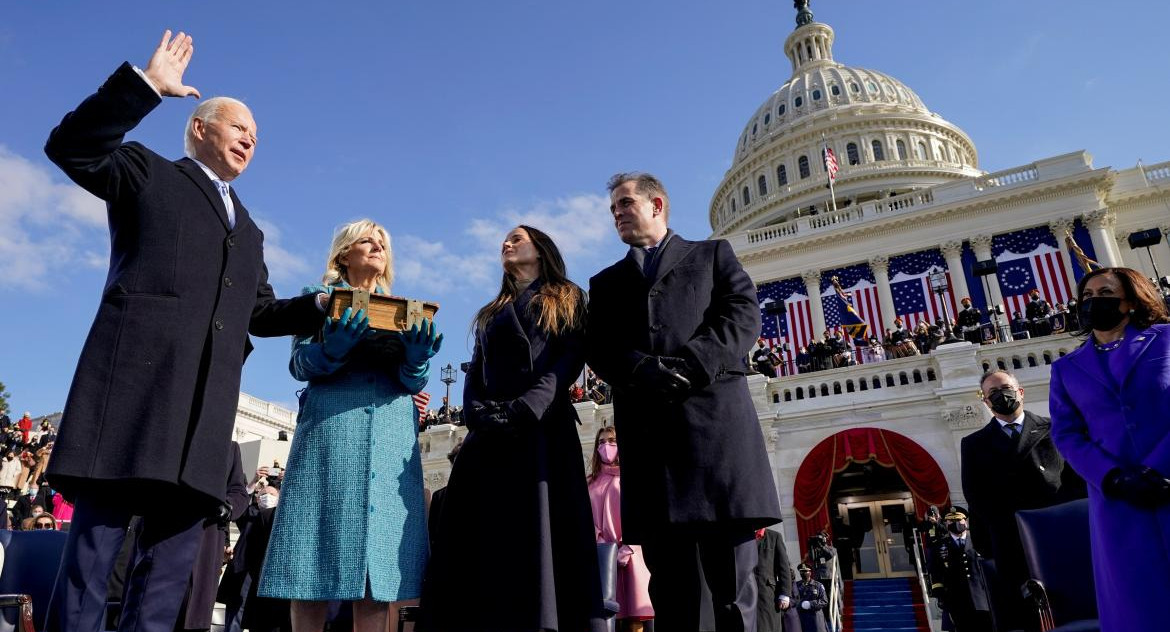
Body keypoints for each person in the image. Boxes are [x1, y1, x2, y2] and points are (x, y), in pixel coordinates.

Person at [42, 31, 326, 632]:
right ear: (200, 128)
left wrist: (321, 306)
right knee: (94, 562)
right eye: (239, 127)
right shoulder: (147, 172)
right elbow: (72, 146)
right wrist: (144, 88)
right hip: (132, 398)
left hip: (202, 417)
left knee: (167, 577)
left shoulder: (249, 229)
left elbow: (261, 312)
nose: (251, 138)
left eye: (256, 135)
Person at [587, 172, 781, 631]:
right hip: (655, 456)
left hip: (717, 445)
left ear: (657, 205)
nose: (617, 213)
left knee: (734, 594)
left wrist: (691, 363)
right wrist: (640, 369)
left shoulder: (712, 255)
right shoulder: (606, 282)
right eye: (613, 208)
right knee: (673, 596)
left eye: (625, 203)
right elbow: (599, 347)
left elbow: (742, 315)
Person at [420, 225, 604, 632]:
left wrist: (526, 408)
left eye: (517, 238)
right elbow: (475, 372)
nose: (506, 243)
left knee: (543, 539)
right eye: (505, 240)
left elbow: (567, 361)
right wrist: (479, 414)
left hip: (541, 432)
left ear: (540, 250)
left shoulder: (568, 297)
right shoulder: (491, 311)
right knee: (480, 543)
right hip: (488, 438)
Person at [259, 219, 441, 632]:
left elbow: (413, 381)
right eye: (368, 239)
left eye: (383, 242)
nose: (378, 246)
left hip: (393, 436)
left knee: (377, 573)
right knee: (310, 562)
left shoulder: (404, 309)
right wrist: (330, 349)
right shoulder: (315, 300)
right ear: (344, 253)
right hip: (330, 434)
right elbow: (298, 364)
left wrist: (417, 359)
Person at [1048, 266, 1170, 632]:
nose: (1093, 301)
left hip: (1167, 481)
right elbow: (1067, 434)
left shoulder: (1165, 340)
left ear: (1130, 301)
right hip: (1118, 501)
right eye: (1087, 296)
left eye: (1104, 292)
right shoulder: (1066, 368)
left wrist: (1159, 466)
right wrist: (1114, 477)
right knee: (1138, 604)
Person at [961, 369, 1086, 631]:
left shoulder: (1053, 429)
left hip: (1059, 536)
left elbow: (1076, 483)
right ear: (985, 402)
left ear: (1020, 391)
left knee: (1073, 612)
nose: (1001, 395)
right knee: (1024, 617)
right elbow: (976, 495)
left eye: (1005, 387)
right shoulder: (974, 443)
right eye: (992, 393)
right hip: (1012, 544)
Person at [587, 426, 654, 631]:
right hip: (602, 558)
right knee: (606, 617)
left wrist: (629, 546)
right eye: (601, 442)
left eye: (612, 440)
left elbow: (642, 513)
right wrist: (599, 543)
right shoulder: (590, 482)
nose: (606, 445)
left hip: (631, 555)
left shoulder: (631, 478)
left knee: (635, 618)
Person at [928, 508, 991, 632]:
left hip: (982, 598)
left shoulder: (978, 541)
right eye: (951, 521)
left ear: (965, 522)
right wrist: (940, 595)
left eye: (958, 520)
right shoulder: (939, 545)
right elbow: (935, 571)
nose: (956, 524)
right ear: (946, 523)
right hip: (956, 599)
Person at [751, 528, 796, 632]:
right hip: (745, 590)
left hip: (767, 592)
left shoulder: (774, 537)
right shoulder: (742, 536)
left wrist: (785, 594)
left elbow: (784, 567)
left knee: (767, 626)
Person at [792, 563, 827, 632]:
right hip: (802, 619)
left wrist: (810, 604)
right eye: (801, 571)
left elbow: (824, 601)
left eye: (806, 571)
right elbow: (792, 600)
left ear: (810, 572)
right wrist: (800, 604)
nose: (803, 573)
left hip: (816, 619)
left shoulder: (818, 585)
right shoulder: (796, 585)